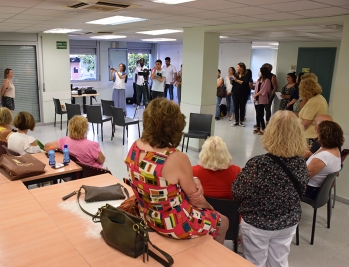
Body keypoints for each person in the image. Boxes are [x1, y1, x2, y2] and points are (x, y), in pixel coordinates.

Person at [124, 98, 229, 244]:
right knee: (223, 222)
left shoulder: (135, 147)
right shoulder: (176, 158)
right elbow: (195, 198)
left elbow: (157, 181)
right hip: (174, 225)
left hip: (147, 214)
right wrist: (210, 208)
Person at [232, 110, 309, 267]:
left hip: (258, 223)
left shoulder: (258, 164)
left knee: (254, 262)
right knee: (279, 261)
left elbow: (238, 192)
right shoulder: (301, 163)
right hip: (288, 220)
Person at [305, 121, 344, 199]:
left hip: (311, 191)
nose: (316, 136)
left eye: (318, 133)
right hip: (319, 189)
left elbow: (304, 177)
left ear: (323, 136)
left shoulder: (323, 157)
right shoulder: (334, 149)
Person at [298, 77, 328, 146]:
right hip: (314, 135)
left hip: (310, 136)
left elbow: (304, 124)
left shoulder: (314, 101)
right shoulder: (320, 98)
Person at [253, 66, 271, 135]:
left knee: (260, 114)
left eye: (260, 71)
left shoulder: (267, 80)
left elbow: (264, 90)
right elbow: (256, 88)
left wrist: (256, 95)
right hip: (256, 99)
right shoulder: (259, 79)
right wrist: (254, 96)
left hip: (262, 99)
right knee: (257, 114)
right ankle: (258, 127)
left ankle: (263, 128)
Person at [231, 62, 250, 127]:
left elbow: (244, 83)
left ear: (242, 68)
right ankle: (236, 121)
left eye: (238, 67)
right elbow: (233, 83)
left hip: (243, 93)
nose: (237, 68)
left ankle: (241, 121)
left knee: (242, 107)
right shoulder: (236, 74)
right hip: (235, 93)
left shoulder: (247, 74)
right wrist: (232, 80)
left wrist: (236, 80)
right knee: (236, 107)